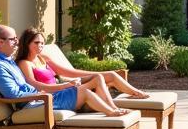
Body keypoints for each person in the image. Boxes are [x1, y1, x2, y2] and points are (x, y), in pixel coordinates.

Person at [0, 25, 124, 116]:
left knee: (90, 87)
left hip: (40, 98)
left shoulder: (9, 61)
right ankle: (112, 114)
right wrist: (42, 93)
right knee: (85, 92)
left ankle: (112, 111)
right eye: (12, 39)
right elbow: (13, 95)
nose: (17, 42)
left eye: (16, 38)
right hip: (34, 103)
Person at [15, 28, 148, 100]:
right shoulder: (25, 63)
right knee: (102, 80)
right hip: (57, 93)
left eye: (42, 43)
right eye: (36, 43)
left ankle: (135, 93)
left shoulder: (43, 57)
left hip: (66, 86)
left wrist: (97, 73)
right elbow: (35, 85)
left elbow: (68, 72)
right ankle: (113, 110)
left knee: (110, 75)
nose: (40, 46)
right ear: (27, 43)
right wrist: (64, 86)